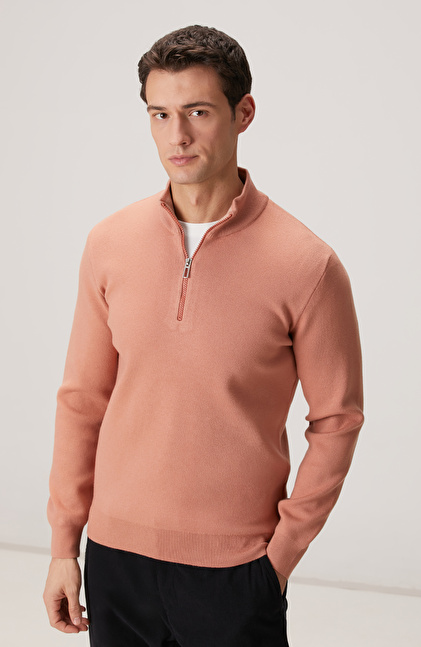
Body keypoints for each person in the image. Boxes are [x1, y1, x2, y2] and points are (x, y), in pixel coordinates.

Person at [43, 24, 364, 647]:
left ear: (243, 113)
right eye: (159, 114)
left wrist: (277, 561)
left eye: (197, 111)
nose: (177, 137)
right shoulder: (110, 244)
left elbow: (338, 420)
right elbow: (82, 400)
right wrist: (64, 545)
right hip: (114, 560)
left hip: (235, 572)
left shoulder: (307, 265)